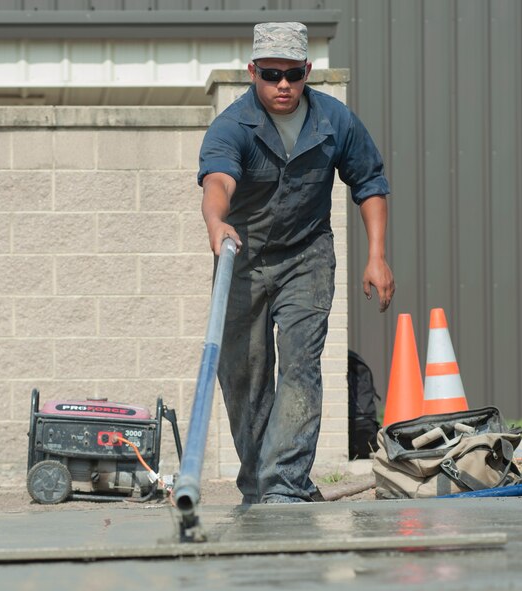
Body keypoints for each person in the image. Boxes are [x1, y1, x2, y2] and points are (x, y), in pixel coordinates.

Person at [197, 22, 395, 504]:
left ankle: (283, 485)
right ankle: (259, 483)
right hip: (243, 258)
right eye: (270, 74)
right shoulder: (232, 125)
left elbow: (369, 182)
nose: (282, 84)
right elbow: (218, 181)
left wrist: (376, 256)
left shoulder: (334, 121)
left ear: (307, 71)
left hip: (307, 256)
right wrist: (216, 223)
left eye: (292, 73)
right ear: (253, 72)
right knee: (244, 374)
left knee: (300, 365)